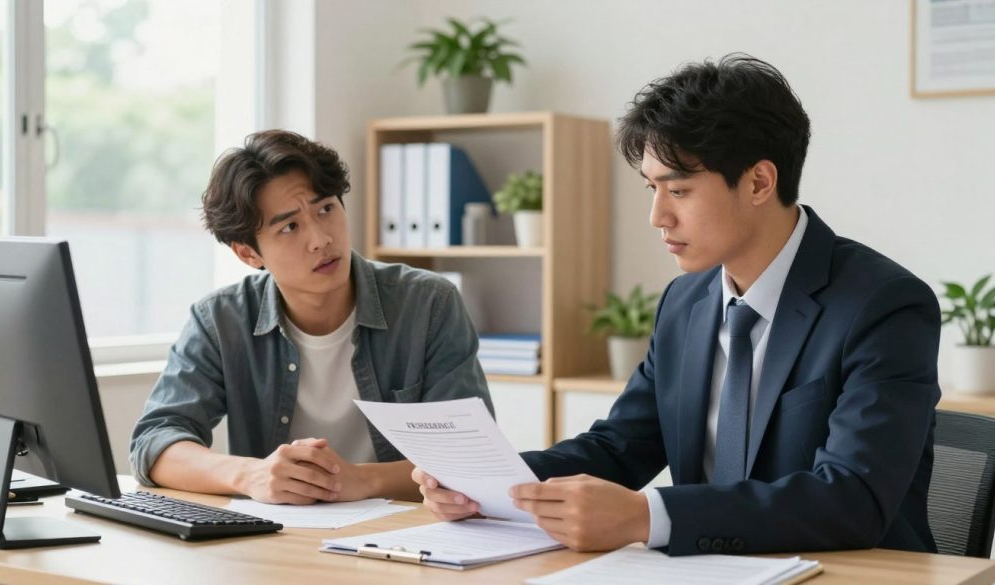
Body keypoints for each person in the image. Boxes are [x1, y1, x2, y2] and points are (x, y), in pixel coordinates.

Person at [414, 54, 941, 555]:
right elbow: (621, 447)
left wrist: (646, 517)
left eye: (679, 190)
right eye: (651, 188)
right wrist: (488, 485)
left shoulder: (883, 305)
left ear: (759, 182)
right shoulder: (686, 302)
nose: (657, 216)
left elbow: (851, 499)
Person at [131, 129, 492, 505]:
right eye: (289, 226)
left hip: (404, 536)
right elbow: (155, 441)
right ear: (248, 254)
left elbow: (469, 461)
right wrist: (249, 474)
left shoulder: (428, 304)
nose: (321, 238)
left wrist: (362, 481)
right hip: (280, 541)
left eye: (326, 209)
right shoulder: (221, 320)